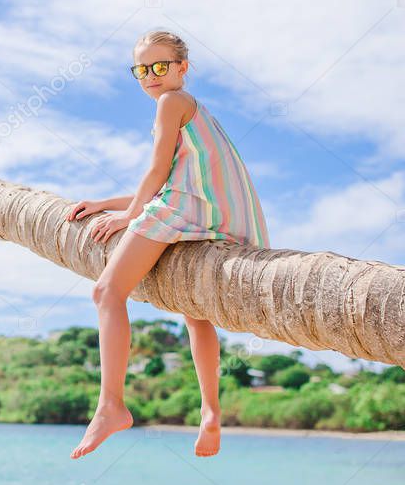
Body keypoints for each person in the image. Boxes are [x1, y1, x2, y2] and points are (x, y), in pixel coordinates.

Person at [65, 29, 271, 459]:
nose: (150, 76)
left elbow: (158, 170)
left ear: (182, 68)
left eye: (160, 66)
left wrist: (127, 216)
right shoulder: (197, 112)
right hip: (219, 214)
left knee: (106, 291)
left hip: (187, 210)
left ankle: (111, 406)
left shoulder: (172, 102)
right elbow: (179, 179)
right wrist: (108, 202)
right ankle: (210, 412)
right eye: (141, 69)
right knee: (194, 315)